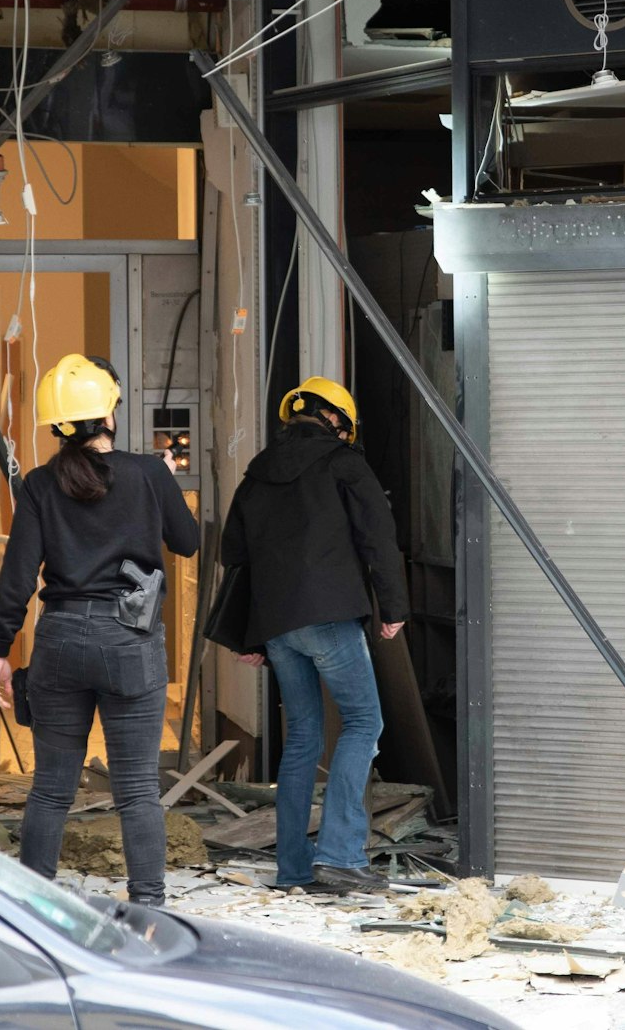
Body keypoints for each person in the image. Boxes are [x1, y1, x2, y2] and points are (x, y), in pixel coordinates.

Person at [0, 354, 199, 907]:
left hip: (60, 641)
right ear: (109, 412)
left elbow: (18, 576)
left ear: (57, 425)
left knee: (51, 788)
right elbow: (188, 542)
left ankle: (32, 905)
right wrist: (161, 491)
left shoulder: (37, 485)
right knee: (137, 790)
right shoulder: (149, 473)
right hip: (131, 643)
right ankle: (148, 906)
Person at [221, 375, 407, 894]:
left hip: (278, 628)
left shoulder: (257, 472)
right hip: (329, 619)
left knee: (302, 736)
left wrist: (251, 636)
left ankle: (293, 868)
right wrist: (393, 606)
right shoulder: (344, 464)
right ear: (335, 421)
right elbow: (379, 537)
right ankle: (342, 857)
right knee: (363, 723)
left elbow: (233, 553)